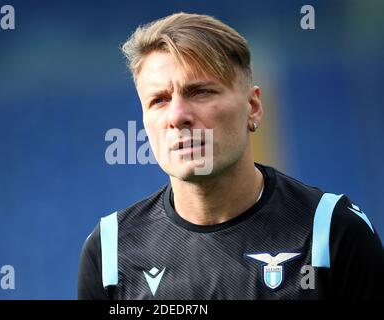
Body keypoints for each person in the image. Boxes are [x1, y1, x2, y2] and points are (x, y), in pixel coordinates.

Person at [78, 12, 383, 300]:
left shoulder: (329, 232)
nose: (178, 116)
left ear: (252, 107)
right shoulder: (110, 251)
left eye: (200, 91)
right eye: (159, 100)